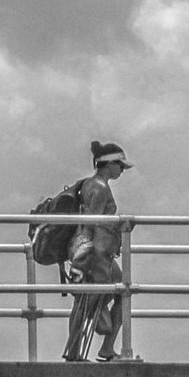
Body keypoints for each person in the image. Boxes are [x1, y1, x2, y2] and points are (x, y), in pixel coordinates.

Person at [63, 140, 131, 364]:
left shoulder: (88, 184)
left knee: (85, 302)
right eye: (119, 165)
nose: (121, 170)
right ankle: (105, 348)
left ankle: (75, 352)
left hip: (86, 250)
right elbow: (92, 223)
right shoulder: (101, 188)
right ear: (108, 164)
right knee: (121, 294)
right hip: (96, 254)